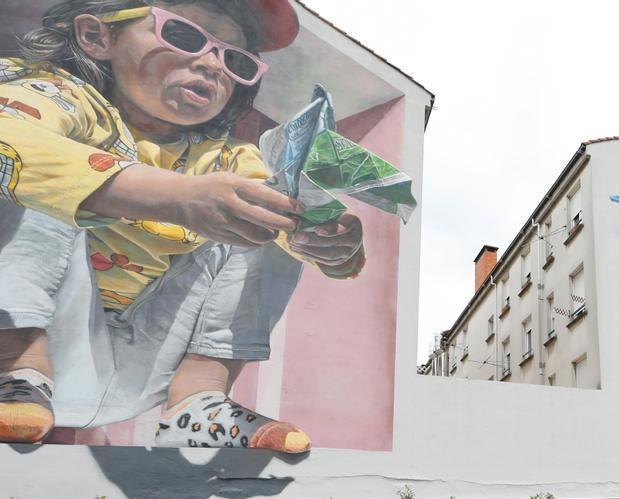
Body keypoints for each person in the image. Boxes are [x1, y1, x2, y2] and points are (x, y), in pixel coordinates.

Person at [0, 0, 366, 450]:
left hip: (143, 366)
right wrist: (177, 197)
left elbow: (296, 237)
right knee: (19, 172)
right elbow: (9, 137)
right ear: (97, 37)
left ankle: (199, 400)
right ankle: (13, 362)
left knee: (264, 211)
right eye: (185, 35)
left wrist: (331, 247)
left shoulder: (228, 158)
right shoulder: (53, 94)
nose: (213, 64)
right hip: (46, 341)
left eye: (234, 59)